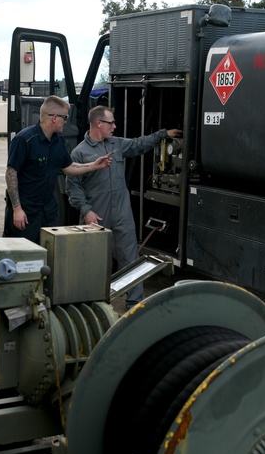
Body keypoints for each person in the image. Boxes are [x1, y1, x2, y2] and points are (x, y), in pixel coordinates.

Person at [67, 106, 182, 308]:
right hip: (96, 214)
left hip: (121, 212)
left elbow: (140, 144)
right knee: (95, 262)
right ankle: (94, 305)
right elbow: (73, 188)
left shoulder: (117, 144)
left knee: (130, 258)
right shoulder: (79, 153)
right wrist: (86, 211)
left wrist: (163, 134)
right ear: (99, 124)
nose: (115, 126)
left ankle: (134, 304)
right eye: (111, 122)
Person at [4, 95, 113, 243]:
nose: (66, 122)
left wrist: (94, 165)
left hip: (48, 213)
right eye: (65, 117)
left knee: (49, 256)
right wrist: (17, 209)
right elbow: (11, 174)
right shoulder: (25, 140)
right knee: (24, 258)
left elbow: (68, 167)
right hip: (26, 213)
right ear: (55, 118)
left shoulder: (58, 141)